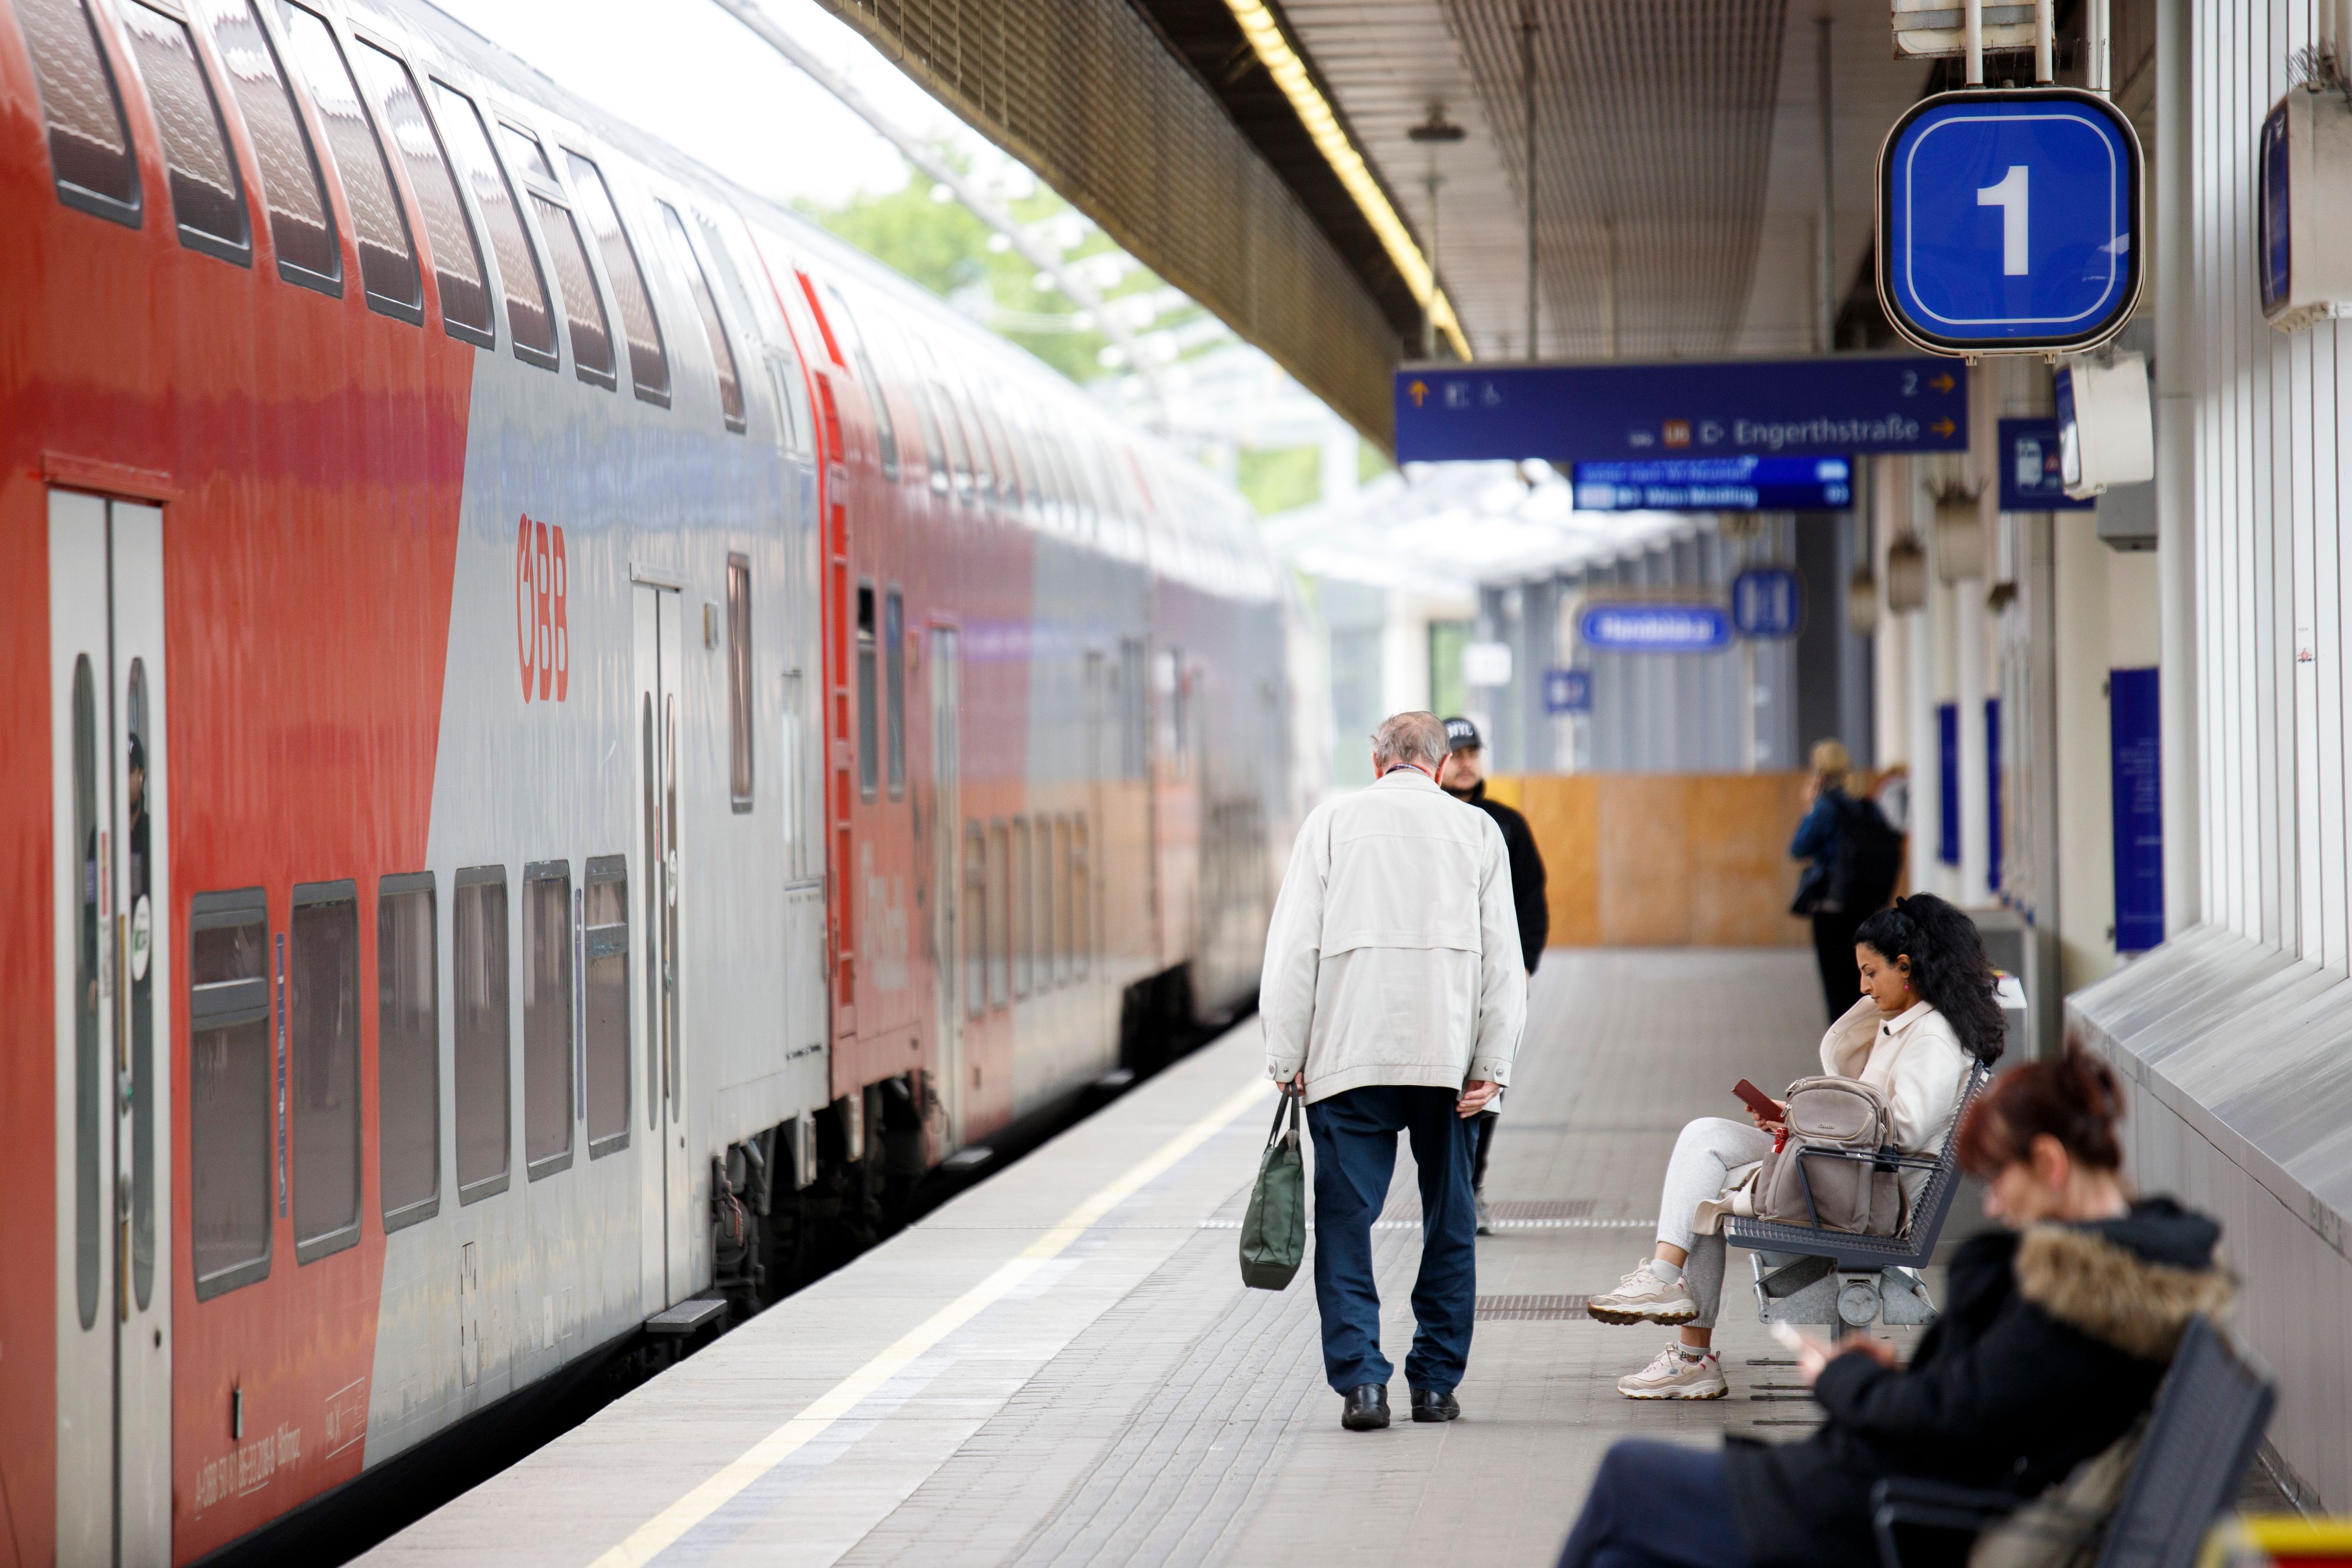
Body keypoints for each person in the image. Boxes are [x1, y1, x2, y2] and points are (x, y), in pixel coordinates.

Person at [1556, 1045, 2231, 1568]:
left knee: (1626, 1478)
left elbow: (1955, 1420)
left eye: (1999, 1182)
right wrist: (1889, 1381)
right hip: (1907, 1496)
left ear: (2051, 1165)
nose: (1993, 1207)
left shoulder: (2075, 1295)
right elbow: (1984, 1402)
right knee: (1625, 1553)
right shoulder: (2118, 1280)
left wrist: (1845, 1381)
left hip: (1888, 1515)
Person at [1585, 892, 2002, 1400]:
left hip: (1861, 1197)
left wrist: (1807, 1122)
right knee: (1704, 1137)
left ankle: (1684, 1335)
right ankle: (1666, 1286)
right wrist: (1793, 1118)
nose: (1864, 987)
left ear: (1906, 966)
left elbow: (1903, 1131)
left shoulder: (1930, 1037)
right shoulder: (1906, 1024)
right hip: (1846, 1173)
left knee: (1708, 1174)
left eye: (1871, 973)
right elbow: (1870, 1117)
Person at [1260, 710, 1526, 1432]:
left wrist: (1286, 1059)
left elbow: (1293, 952)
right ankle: (1435, 1387)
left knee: (1346, 1222)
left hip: (1349, 1057)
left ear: (1377, 762)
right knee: (1450, 1221)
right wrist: (1492, 1066)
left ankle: (1362, 1387)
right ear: (1439, 768)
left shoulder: (1331, 825)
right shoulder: (1477, 832)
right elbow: (1503, 960)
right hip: (1448, 1063)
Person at [1438, 716, 1548, 1235]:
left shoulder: (1506, 824)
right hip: (1437, 983)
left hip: (1490, 983)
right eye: (1456, 754)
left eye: (1472, 753)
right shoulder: (1426, 820)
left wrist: (1524, 966)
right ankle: (1447, 1189)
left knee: (1485, 1085)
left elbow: (1531, 900)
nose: (1465, 763)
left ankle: (1469, 1188)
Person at [1791, 738, 1888, 1024]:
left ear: (1820, 773)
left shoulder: (1825, 808)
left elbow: (1799, 848)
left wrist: (1809, 807)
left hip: (1832, 909)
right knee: (1862, 981)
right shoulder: (1868, 807)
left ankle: (1840, 1051)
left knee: (1836, 987)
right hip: (1865, 906)